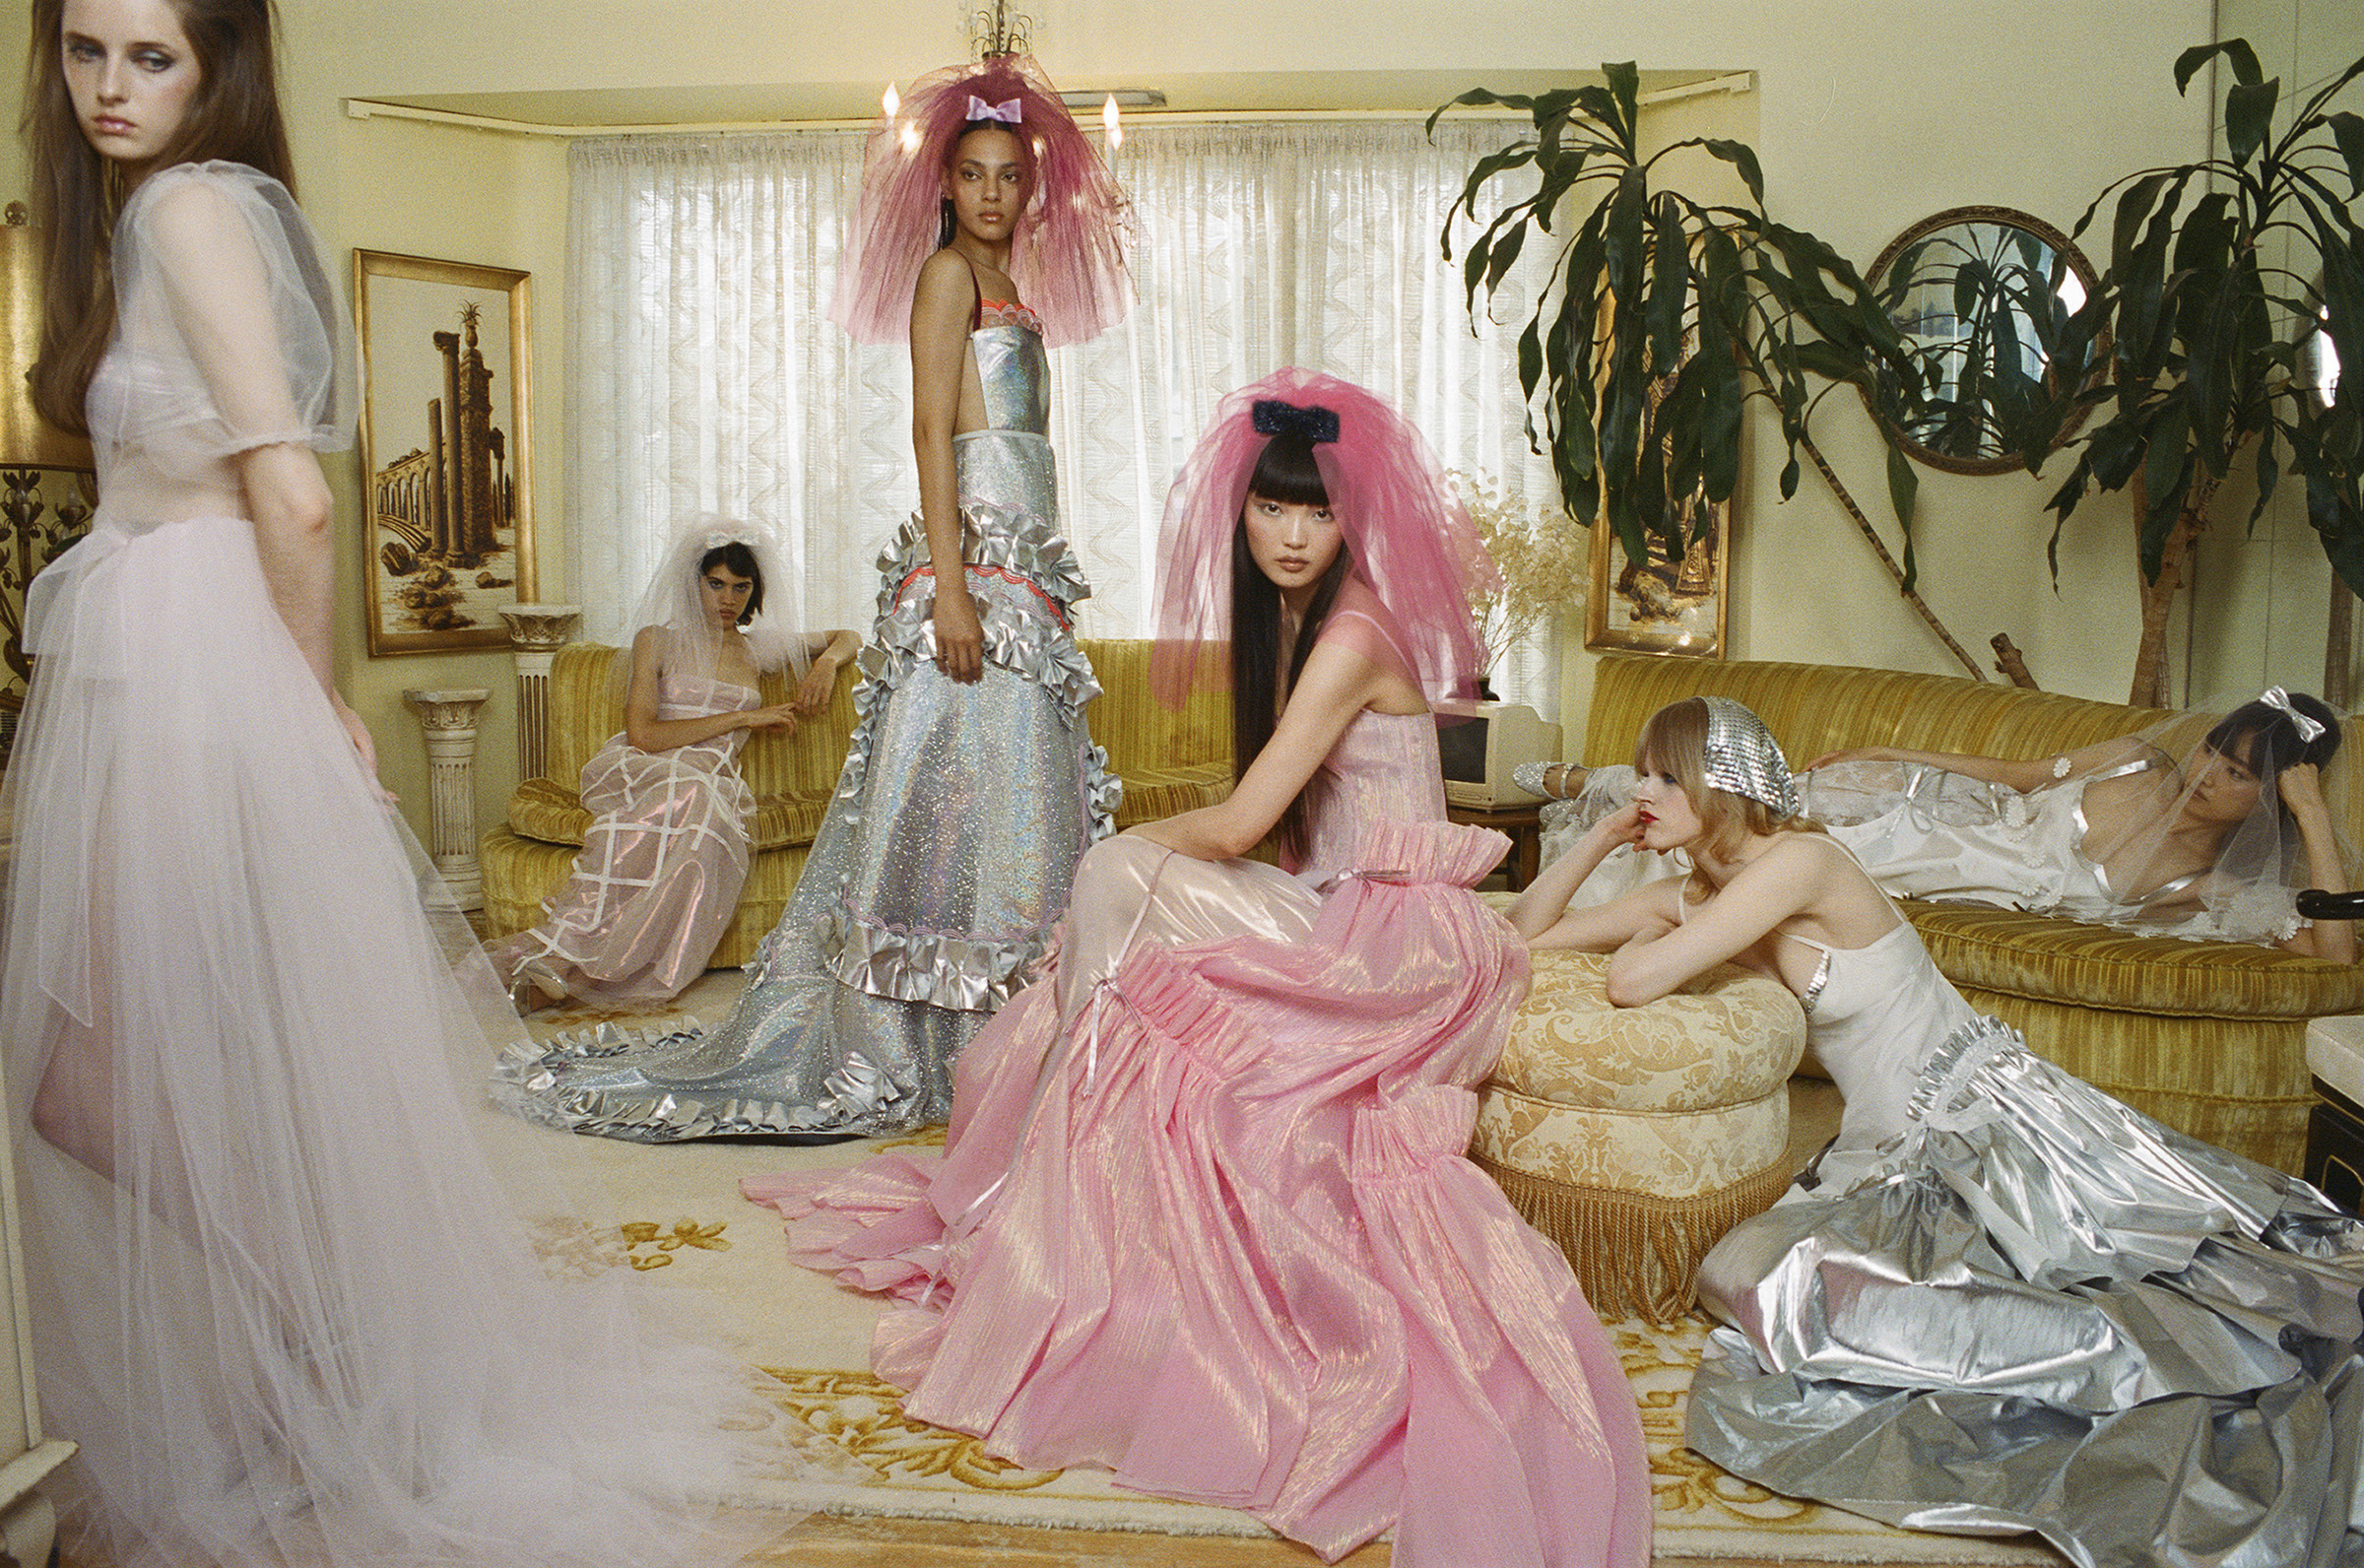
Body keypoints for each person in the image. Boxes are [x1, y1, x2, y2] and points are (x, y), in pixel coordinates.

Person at [7, 2, 809, 1562]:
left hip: (185, 666)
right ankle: (311, 1339)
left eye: (152, 56)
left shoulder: (182, 210)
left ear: (216, 65)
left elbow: (297, 497)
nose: (108, 86)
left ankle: (325, 1323)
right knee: (179, 1057)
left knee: (86, 1079)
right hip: (171, 659)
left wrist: (308, 701)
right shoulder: (174, 212)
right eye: (85, 49)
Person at [741, 370, 1654, 1568]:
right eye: (1272, 508)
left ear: (1351, 522)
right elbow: (1269, 832)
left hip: (1390, 941)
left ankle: (1036, 1206)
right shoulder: (1308, 626)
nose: (1292, 533)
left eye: (1316, 511)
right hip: (1351, 910)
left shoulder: (1352, 633)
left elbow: (1237, 826)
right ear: (1242, 515)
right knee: (1125, 930)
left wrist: (1116, 849)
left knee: (1116, 887)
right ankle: (1042, 1198)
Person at [1512, 694, 2364, 1567]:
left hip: (1984, 1120)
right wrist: (1598, 838)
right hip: (1888, 1143)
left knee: (2091, 1293)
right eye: (1642, 775)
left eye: (1666, 777)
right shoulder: (1690, 894)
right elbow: (1525, 937)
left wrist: (1642, 937)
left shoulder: (1801, 862)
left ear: (1719, 784)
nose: (1643, 792)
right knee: (1747, 1277)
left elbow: (1631, 983)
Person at [499, 54, 1129, 1141]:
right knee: (955, 809)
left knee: (1014, 806)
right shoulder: (949, 277)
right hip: (974, 579)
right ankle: (923, 1041)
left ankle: (1010, 1038)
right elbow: (932, 433)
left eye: (1007, 176)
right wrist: (954, 594)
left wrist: (1028, 585)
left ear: (1030, 189)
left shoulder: (1016, 294)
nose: (989, 193)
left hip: (1022, 577)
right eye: (971, 174)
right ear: (945, 185)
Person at [1519, 686, 2353, 957]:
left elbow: (2338, 955)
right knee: (1766, 803)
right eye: (2212, 751)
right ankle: (1590, 782)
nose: (2207, 774)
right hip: (1939, 809)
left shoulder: (2205, 886)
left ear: (2270, 799)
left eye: (2238, 774)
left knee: (1755, 844)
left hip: (1951, 870)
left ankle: (1595, 817)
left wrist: (2310, 812)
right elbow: (2018, 777)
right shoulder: (2138, 758)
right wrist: (1896, 753)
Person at [487, 514, 858, 1012]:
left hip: (713, 780)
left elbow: (848, 635)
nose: (728, 599)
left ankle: (566, 973)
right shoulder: (656, 640)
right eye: (716, 584)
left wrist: (827, 664)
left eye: (741, 587)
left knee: (703, 815)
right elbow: (644, 735)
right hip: (645, 766)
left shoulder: (758, 648)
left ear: (755, 590)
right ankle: (558, 952)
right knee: (692, 796)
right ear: (693, 582)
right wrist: (744, 717)